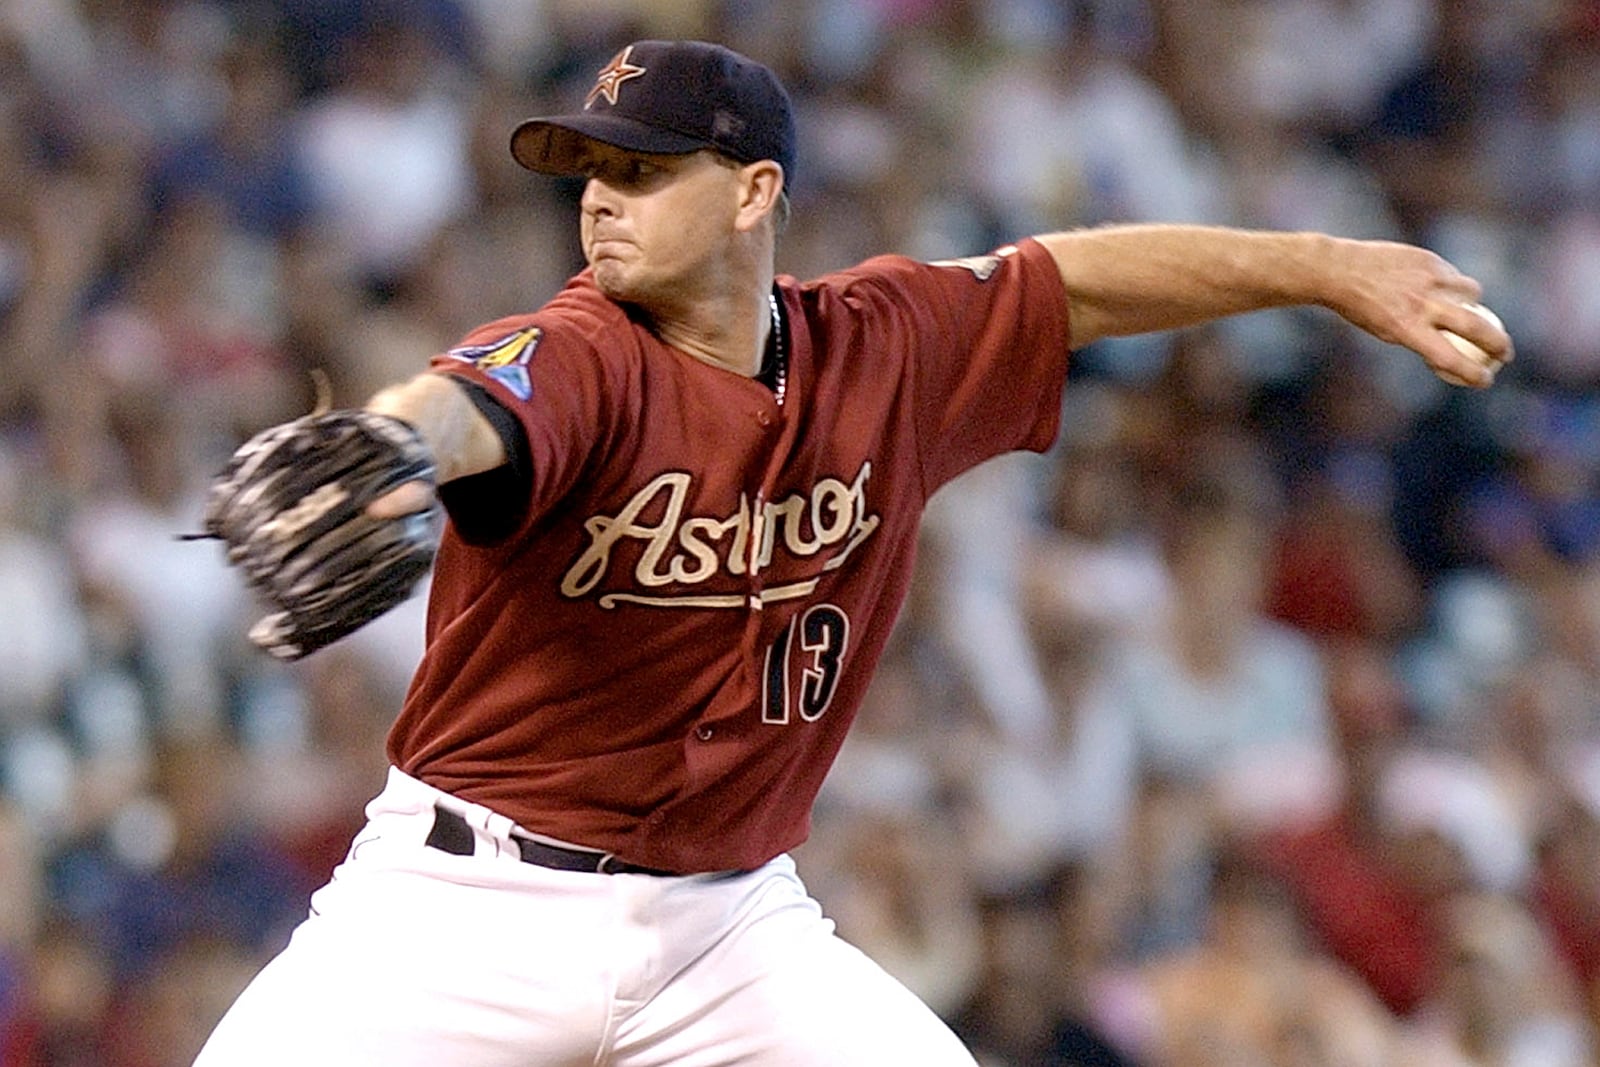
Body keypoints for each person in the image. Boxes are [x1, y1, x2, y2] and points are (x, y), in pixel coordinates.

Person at [191, 38, 1512, 1067]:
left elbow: (1079, 279)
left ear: (757, 190)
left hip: (726, 926)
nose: (602, 199)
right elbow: (475, 402)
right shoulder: (582, 347)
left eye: (645, 171)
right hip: (461, 907)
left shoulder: (883, 349)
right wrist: (394, 445)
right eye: (592, 171)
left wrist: (1327, 267)